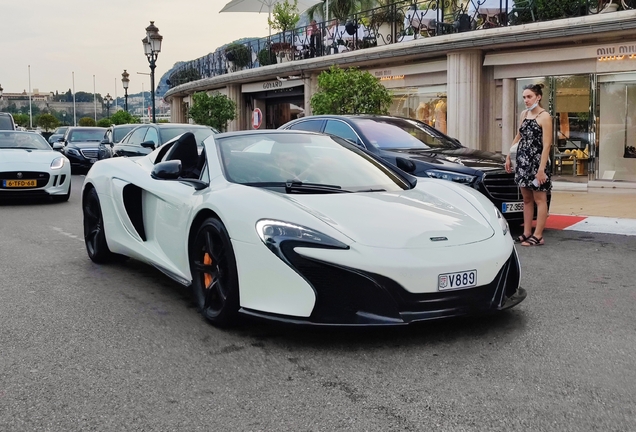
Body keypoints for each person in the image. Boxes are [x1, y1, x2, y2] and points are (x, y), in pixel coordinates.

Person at [505, 83, 553, 246]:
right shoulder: (524, 114)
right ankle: (526, 232)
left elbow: (547, 145)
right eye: (524, 97)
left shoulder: (545, 116)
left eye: (529, 96)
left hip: (537, 162)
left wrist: (541, 169)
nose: (526, 100)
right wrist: (508, 156)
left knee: (540, 198)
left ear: (538, 97)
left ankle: (538, 235)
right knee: (526, 198)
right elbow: (519, 136)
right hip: (522, 161)